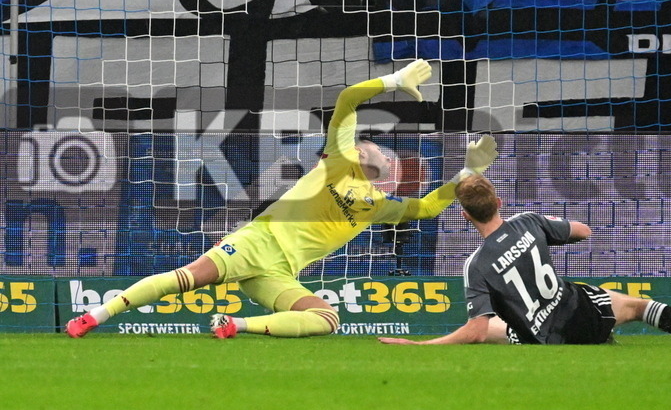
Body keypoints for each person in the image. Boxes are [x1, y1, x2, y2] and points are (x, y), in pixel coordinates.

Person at [65, 59, 499, 339]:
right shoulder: (337, 162)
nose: (375, 148)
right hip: (257, 242)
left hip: (280, 271)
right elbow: (347, 101)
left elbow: (424, 207)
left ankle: (236, 325)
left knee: (328, 319)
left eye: (380, 149)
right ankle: (95, 317)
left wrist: (468, 172)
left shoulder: (378, 205)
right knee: (188, 277)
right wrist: (392, 81)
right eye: (369, 144)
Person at [379, 174, 671, 346]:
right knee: (637, 305)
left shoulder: (475, 264)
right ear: (499, 203)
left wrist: (426, 345)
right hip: (582, 314)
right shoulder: (528, 222)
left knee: (491, 329)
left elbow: (476, 329)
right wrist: (550, 235)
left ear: (464, 216)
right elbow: (584, 231)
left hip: (542, 339)